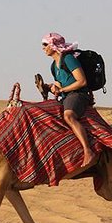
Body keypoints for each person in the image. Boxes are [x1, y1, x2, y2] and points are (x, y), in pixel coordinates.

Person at [42, 32, 98, 167]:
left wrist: (62, 90)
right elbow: (61, 83)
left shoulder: (68, 59)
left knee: (69, 116)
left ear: (53, 45)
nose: (43, 48)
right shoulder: (53, 66)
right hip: (66, 96)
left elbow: (81, 81)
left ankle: (87, 150)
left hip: (78, 94)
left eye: (45, 44)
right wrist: (51, 87)